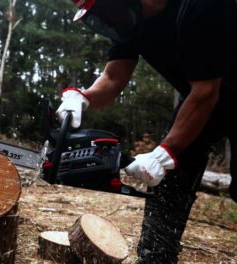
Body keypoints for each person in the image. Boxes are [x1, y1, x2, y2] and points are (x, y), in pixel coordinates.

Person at [56, 0, 237, 263]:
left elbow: (206, 92)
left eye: (106, 11)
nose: (107, 21)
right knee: (169, 179)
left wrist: (165, 153)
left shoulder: (202, 7)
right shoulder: (130, 22)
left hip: (208, 93)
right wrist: (83, 98)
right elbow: (113, 78)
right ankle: (155, 257)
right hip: (200, 96)